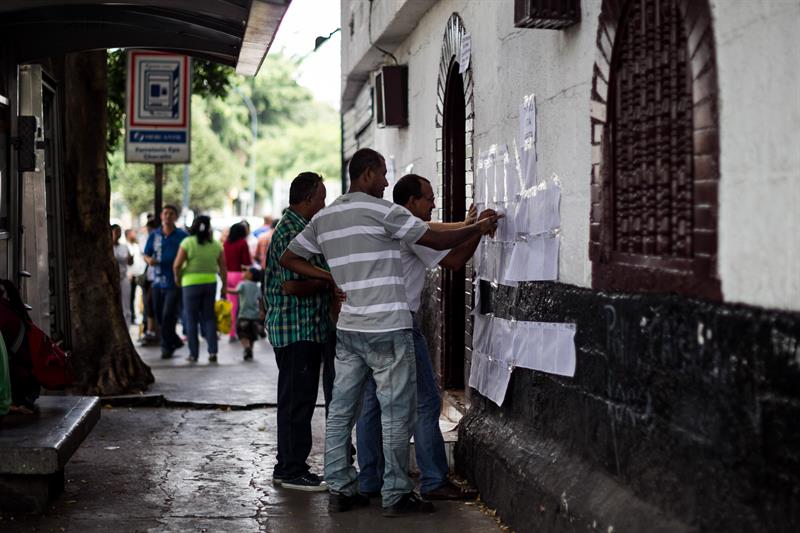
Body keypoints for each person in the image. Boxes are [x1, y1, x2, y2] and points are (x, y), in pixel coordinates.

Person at [279, 148, 501, 516]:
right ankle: (396, 493)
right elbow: (432, 238)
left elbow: (288, 256)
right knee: (397, 412)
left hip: (349, 329)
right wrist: (476, 228)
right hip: (389, 327)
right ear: (366, 174)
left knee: (341, 412)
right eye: (382, 174)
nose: (386, 182)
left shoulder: (326, 217)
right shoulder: (381, 211)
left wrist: (331, 275)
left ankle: (341, 487)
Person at [356, 174, 489, 501]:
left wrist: (465, 224)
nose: (432, 203)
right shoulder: (410, 231)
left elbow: (438, 229)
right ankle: (433, 479)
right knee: (426, 401)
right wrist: (478, 231)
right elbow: (455, 260)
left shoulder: (392, 224)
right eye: (428, 198)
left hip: (371, 323)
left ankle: (369, 479)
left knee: (372, 402)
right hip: (400, 323)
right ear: (411, 203)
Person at [264, 172, 336, 492]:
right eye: (321, 197)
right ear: (308, 199)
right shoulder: (289, 232)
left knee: (301, 401)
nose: (323, 203)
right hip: (296, 328)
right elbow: (291, 286)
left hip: (307, 328)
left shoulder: (301, 228)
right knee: (296, 402)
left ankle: (292, 463)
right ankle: (290, 468)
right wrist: (325, 280)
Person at [172, 215, 226, 363]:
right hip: (210, 283)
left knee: (191, 319)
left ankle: (193, 354)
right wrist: (225, 287)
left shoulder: (187, 243)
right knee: (209, 318)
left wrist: (177, 278)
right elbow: (223, 267)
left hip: (190, 284)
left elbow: (177, 265)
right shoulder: (216, 244)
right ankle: (213, 352)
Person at [143, 204, 188, 359]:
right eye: (165, 213)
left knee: (168, 313)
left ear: (175, 217)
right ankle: (174, 340)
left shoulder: (182, 236)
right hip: (156, 281)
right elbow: (146, 253)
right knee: (159, 314)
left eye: (171, 213)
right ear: (161, 216)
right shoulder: (154, 235)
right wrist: (149, 260)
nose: (168, 216)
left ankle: (165, 347)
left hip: (174, 281)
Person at [223, 222, 252, 341]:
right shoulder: (242, 243)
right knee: (244, 305)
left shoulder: (225, 243)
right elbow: (247, 261)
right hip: (240, 275)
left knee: (232, 306)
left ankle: (231, 333)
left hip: (228, 275)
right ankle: (244, 332)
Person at [228, 266, 263, 361]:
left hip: (243, 315)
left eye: (246, 271)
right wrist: (261, 311)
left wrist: (225, 289)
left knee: (242, 333)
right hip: (255, 316)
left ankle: (247, 348)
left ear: (250, 275)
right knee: (252, 334)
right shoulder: (257, 287)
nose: (243, 273)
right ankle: (250, 350)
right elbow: (260, 300)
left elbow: (235, 291)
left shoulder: (242, 284)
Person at [112, 224, 134, 325]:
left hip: (123, 278)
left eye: (119, 231)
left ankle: (128, 327)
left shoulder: (124, 247)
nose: (118, 234)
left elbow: (130, 262)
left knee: (126, 306)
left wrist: (130, 259)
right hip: (112, 279)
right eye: (116, 231)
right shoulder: (107, 248)